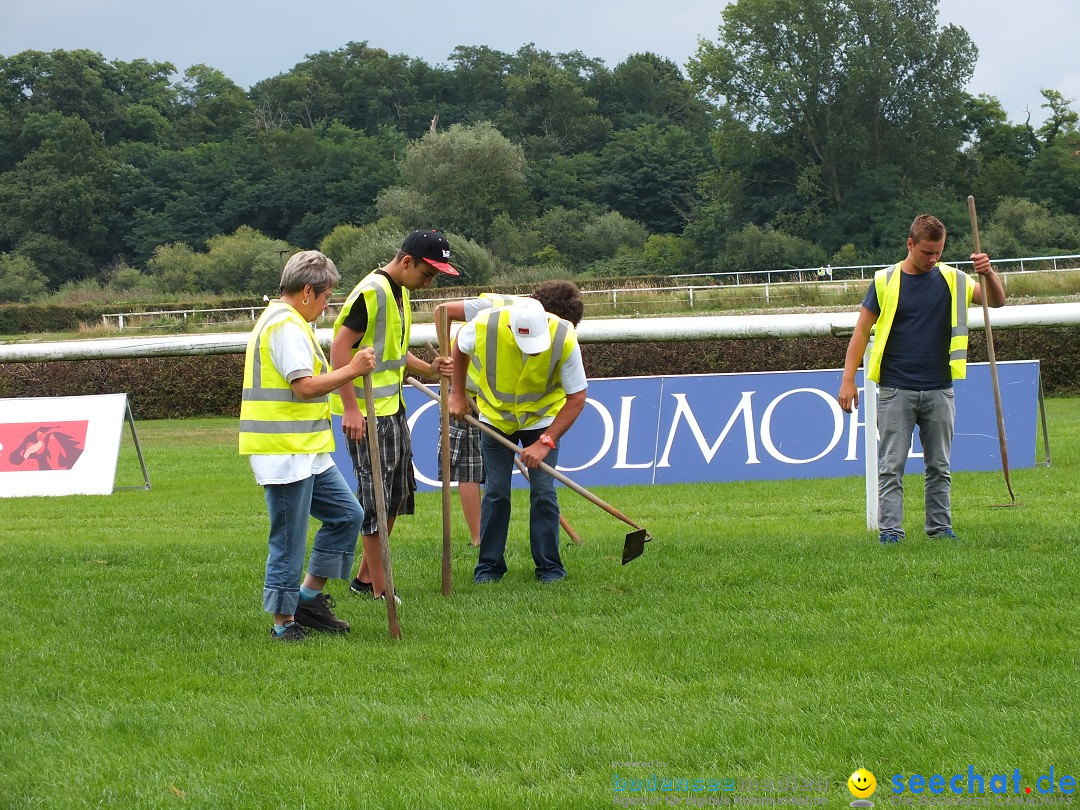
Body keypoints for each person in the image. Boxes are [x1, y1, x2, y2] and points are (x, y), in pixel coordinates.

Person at [837, 214, 1006, 544]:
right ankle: (890, 533)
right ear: (910, 244)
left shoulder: (955, 279)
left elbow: (997, 301)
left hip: (940, 388)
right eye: (927, 252)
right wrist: (847, 379)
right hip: (894, 389)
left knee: (939, 467)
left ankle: (940, 529)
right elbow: (861, 331)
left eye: (938, 252)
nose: (933, 259)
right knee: (891, 466)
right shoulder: (885, 281)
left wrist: (988, 273)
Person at [239, 250, 376, 643]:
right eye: (326, 296)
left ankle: (308, 599)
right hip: (283, 453)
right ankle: (283, 623)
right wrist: (351, 370)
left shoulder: (290, 321)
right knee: (289, 539)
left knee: (348, 515)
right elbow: (304, 388)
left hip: (307, 450)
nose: (327, 304)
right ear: (305, 292)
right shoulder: (285, 326)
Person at [330, 230, 456, 602]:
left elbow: (393, 357)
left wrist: (429, 368)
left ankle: (365, 579)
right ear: (406, 262)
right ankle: (383, 590)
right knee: (376, 498)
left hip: (392, 408)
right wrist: (351, 408)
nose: (429, 283)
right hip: (366, 413)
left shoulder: (400, 292)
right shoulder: (372, 291)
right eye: (427, 274)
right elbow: (339, 349)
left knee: (398, 494)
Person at [448, 291, 587, 584]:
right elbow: (460, 347)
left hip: (542, 418)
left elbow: (576, 397)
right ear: (511, 328)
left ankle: (550, 569)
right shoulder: (485, 325)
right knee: (497, 492)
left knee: (544, 492)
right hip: (496, 418)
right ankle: (489, 568)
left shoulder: (563, 336)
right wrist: (457, 393)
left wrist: (545, 442)